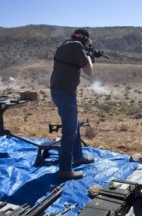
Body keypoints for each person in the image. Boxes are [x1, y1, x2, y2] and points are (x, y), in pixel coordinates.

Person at [50, 28, 95, 180]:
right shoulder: (76, 46)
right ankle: (65, 170)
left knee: (74, 125)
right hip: (65, 94)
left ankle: (78, 157)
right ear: (83, 38)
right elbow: (88, 70)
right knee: (69, 133)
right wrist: (89, 54)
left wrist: (88, 53)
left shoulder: (65, 44)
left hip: (60, 91)